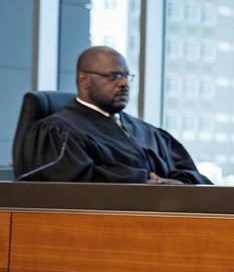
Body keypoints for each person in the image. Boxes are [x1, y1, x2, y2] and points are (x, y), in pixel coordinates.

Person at [13, 46, 212, 185]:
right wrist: (147, 183)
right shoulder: (58, 131)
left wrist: (176, 183)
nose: (124, 83)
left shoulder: (147, 131)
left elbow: (193, 176)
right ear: (84, 80)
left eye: (126, 76)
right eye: (113, 76)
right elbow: (78, 183)